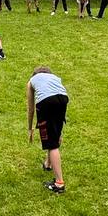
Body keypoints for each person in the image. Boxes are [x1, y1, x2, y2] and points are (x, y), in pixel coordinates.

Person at [27, 66, 69, 194]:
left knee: (51, 144)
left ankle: (59, 183)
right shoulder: (55, 78)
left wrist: (30, 129)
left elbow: (31, 109)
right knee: (55, 135)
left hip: (46, 102)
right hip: (63, 99)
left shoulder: (31, 81)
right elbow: (60, 96)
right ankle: (48, 164)